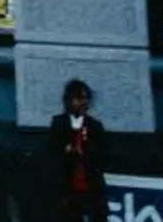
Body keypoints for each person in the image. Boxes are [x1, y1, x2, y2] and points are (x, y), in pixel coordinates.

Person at [44, 76, 109, 222]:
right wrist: (66, 150)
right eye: (78, 98)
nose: (83, 103)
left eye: (85, 99)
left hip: (90, 186)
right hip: (67, 187)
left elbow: (103, 153)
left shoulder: (95, 126)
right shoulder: (59, 123)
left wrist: (87, 151)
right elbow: (51, 152)